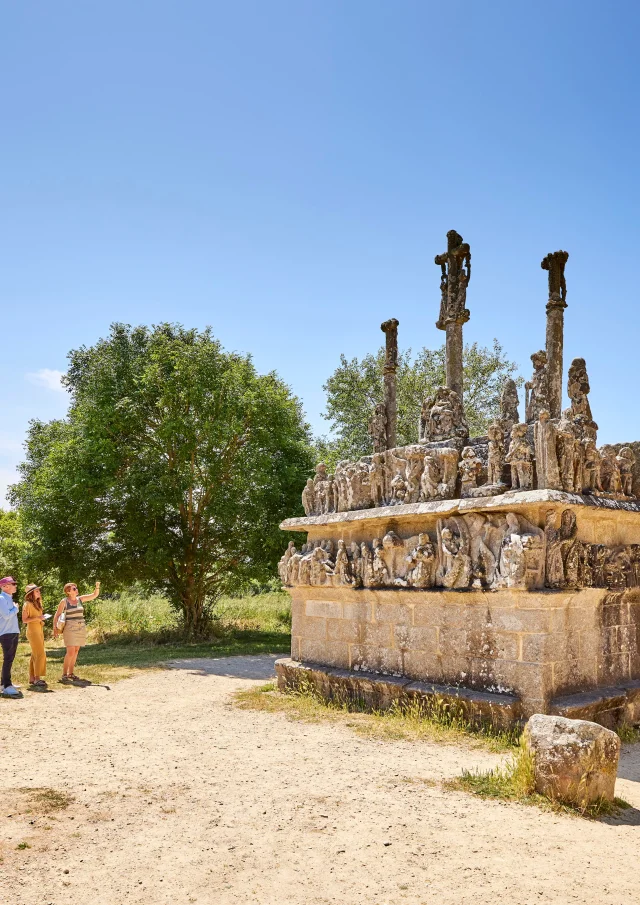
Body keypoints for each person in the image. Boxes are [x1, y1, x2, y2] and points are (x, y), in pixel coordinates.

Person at [53, 581, 101, 684]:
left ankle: (71, 673)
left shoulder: (80, 599)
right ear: (68, 592)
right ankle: (64, 674)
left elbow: (94, 595)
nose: (76, 590)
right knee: (70, 651)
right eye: (74, 589)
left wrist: (97, 587)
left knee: (76, 651)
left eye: (76, 588)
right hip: (69, 627)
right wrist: (55, 628)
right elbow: (57, 615)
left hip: (80, 627)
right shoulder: (64, 601)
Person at [22, 583, 47, 688]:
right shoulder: (27, 604)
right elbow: (24, 620)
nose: (39, 592)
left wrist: (41, 618)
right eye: (37, 591)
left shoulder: (38, 603)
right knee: (40, 654)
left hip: (39, 629)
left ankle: (32, 678)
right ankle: (37, 679)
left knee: (35, 654)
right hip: (33, 631)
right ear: (31, 593)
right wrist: (37, 618)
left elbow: (38, 617)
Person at [0, 576, 21, 697]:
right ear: (4, 586)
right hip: (5, 632)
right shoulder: (2, 598)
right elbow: (7, 615)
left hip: (13, 631)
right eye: (12, 584)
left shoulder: (8, 598)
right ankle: (7, 686)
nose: (15, 586)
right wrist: (16, 608)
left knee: (10, 658)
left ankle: (5, 683)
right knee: (8, 659)